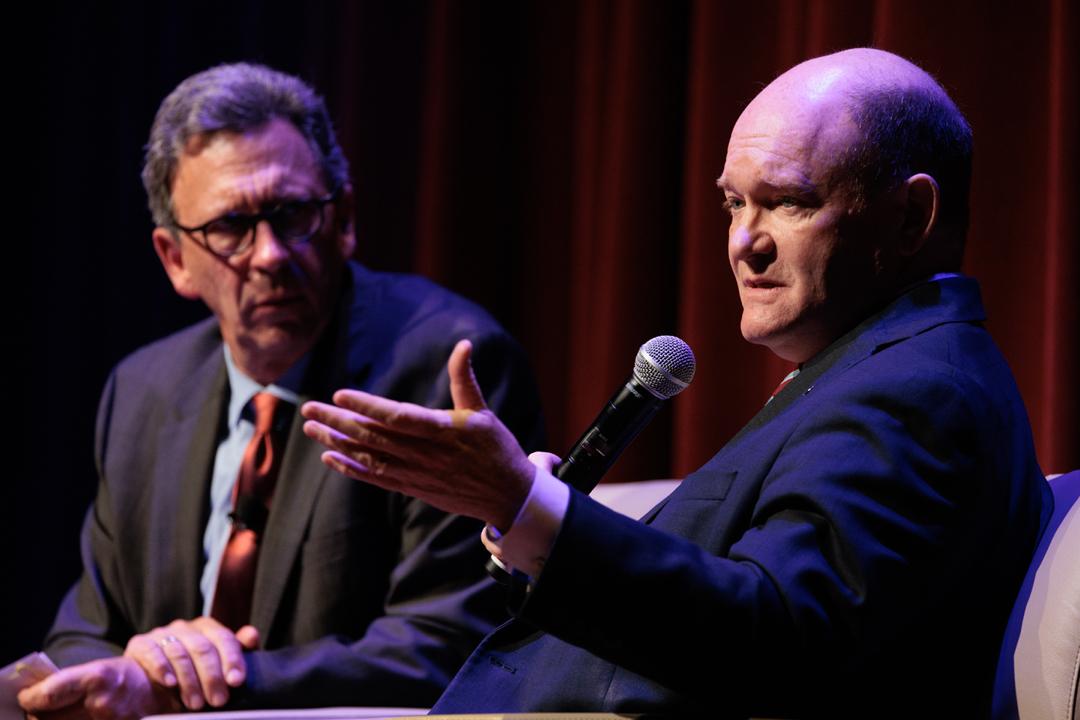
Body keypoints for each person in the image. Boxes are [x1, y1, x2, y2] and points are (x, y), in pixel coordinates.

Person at [300, 48, 1052, 717]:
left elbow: (773, 637)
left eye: (788, 202)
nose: (743, 243)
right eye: (733, 202)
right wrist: (529, 520)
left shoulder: (919, 391)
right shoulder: (878, 371)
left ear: (911, 216)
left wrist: (523, 504)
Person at [18, 63, 544, 719]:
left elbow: (449, 643)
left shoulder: (447, 366)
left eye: (293, 214)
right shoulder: (142, 392)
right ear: (175, 259)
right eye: (230, 228)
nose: (268, 254)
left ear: (344, 218)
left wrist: (192, 685)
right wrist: (140, 661)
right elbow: (80, 633)